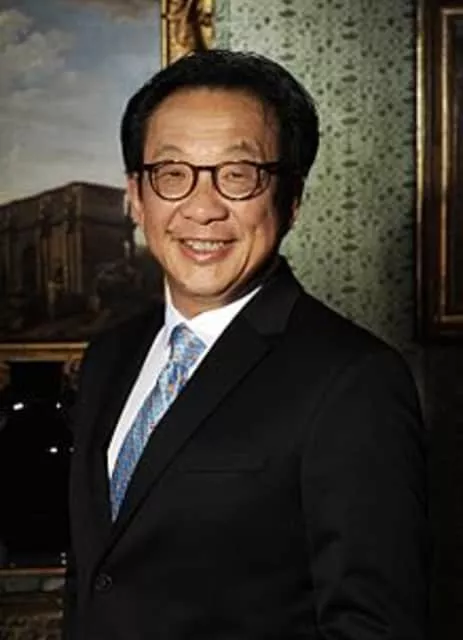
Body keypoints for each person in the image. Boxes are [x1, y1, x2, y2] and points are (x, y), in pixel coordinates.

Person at [63, 49, 429, 639]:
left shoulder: (354, 379)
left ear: (291, 199)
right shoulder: (109, 355)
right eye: (172, 173)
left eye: (238, 174)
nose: (202, 208)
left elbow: (374, 627)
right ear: (136, 196)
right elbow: (94, 579)